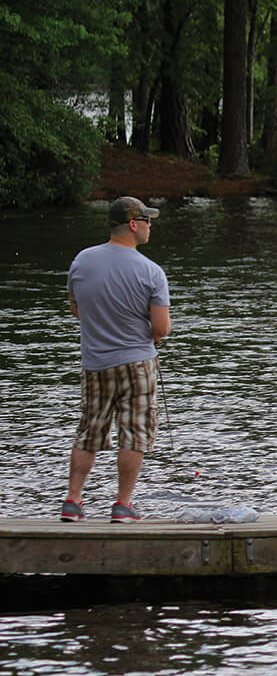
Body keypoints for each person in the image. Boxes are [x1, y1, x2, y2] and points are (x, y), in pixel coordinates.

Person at [60, 197, 171, 523]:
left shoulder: (81, 261)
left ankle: (72, 501)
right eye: (147, 220)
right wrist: (153, 334)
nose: (151, 225)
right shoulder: (151, 271)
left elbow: (77, 310)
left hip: (95, 364)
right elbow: (161, 328)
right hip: (137, 365)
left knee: (89, 433)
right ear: (134, 225)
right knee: (134, 433)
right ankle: (122, 505)